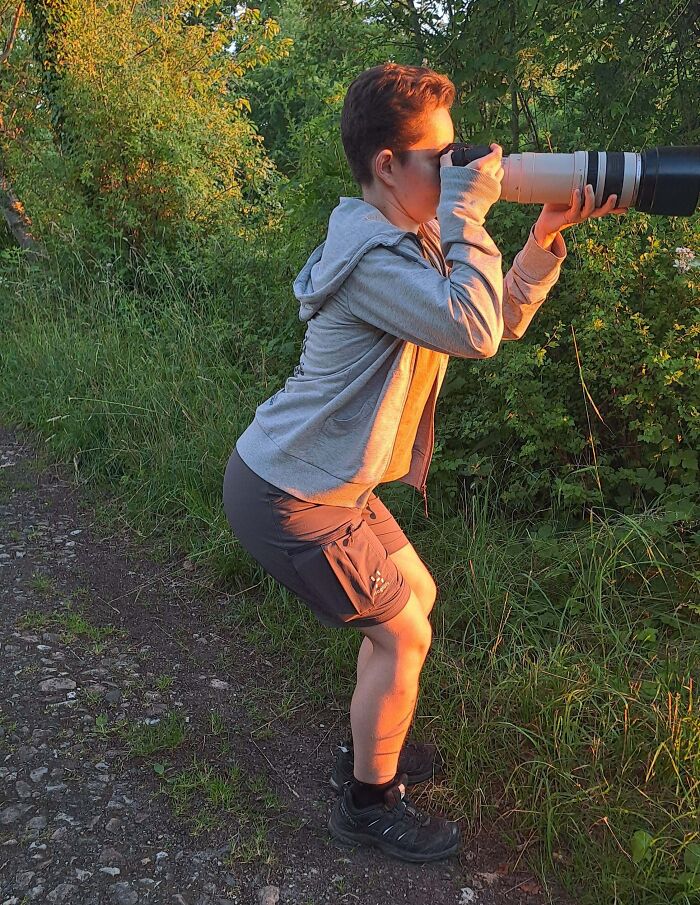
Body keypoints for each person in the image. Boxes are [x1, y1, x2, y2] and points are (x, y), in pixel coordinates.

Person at [222, 62, 627, 863]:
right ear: (387, 166)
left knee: (420, 597)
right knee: (402, 635)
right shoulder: (374, 258)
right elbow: (472, 329)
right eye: (439, 159)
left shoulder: (412, 236)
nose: (456, 172)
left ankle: (373, 739)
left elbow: (491, 321)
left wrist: (541, 239)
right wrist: (471, 212)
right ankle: (369, 802)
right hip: (291, 494)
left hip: (327, 482)